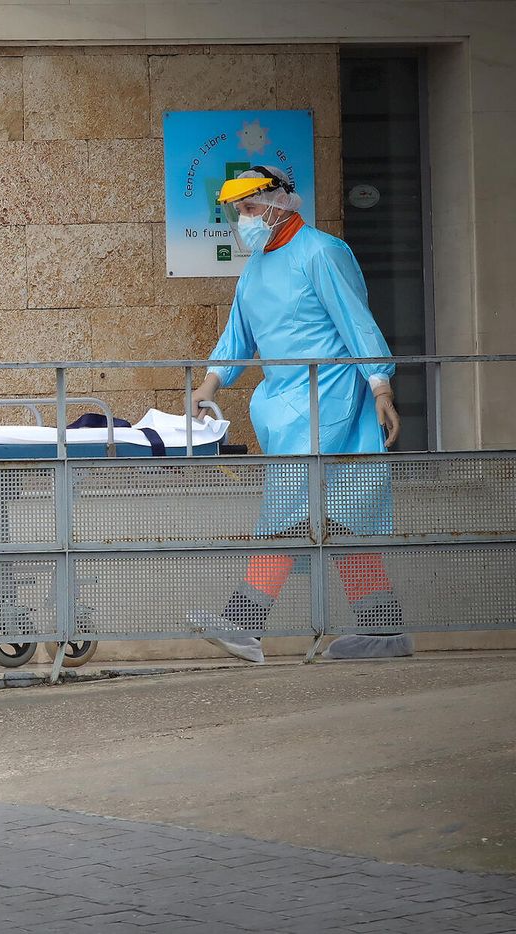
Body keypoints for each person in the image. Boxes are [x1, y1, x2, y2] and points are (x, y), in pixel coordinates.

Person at [188, 166, 412, 663]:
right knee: (340, 519)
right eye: (235, 212)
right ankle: (385, 630)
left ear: (279, 202)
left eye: (248, 209)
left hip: (328, 398)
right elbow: (238, 335)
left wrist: (380, 387)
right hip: (283, 406)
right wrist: (209, 384)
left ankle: (241, 623)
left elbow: (357, 320)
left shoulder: (323, 252)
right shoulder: (257, 265)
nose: (241, 220)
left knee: (291, 509)